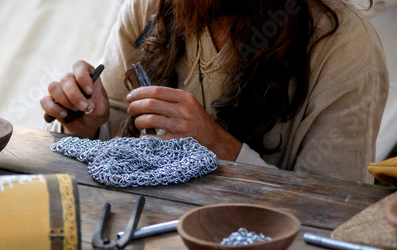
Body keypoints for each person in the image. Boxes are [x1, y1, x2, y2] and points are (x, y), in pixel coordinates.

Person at [40, 0, 388, 184]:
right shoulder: (148, 8)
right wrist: (85, 125)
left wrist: (221, 148)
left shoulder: (344, 47)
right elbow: (114, 139)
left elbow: (331, 211)